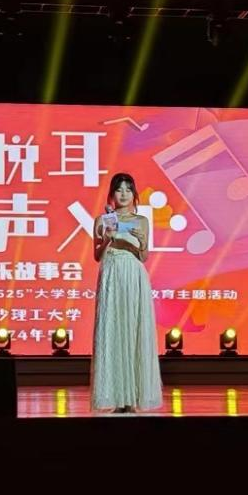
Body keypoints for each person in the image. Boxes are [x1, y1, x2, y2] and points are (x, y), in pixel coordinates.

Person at [90, 172, 163, 413]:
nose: (123, 194)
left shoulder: (141, 221)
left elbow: (144, 256)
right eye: (119, 189)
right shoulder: (102, 220)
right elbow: (97, 256)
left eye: (128, 190)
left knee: (133, 330)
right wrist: (107, 240)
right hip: (111, 273)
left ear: (134, 194)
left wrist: (141, 242)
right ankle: (116, 397)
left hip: (133, 275)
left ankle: (133, 398)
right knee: (112, 331)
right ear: (112, 193)